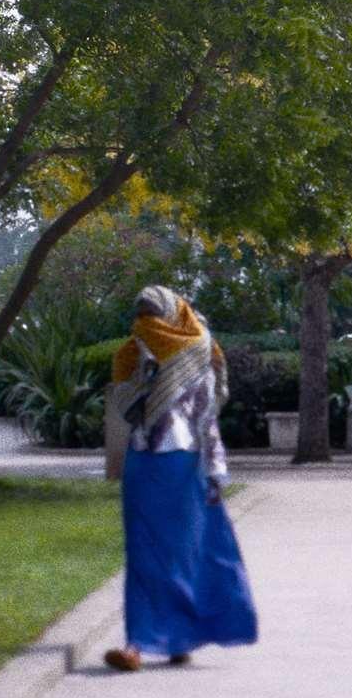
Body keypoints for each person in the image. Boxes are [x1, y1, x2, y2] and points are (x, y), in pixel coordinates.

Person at [101, 285, 259, 671]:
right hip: (144, 464)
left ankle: (179, 638)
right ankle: (137, 643)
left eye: (152, 313)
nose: (145, 321)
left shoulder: (202, 351)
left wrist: (215, 472)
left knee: (188, 553)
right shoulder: (131, 354)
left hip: (186, 466)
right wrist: (145, 375)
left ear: (174, 314)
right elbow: (127, 407)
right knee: (143, 554)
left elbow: (207, 418)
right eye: (141, 314)